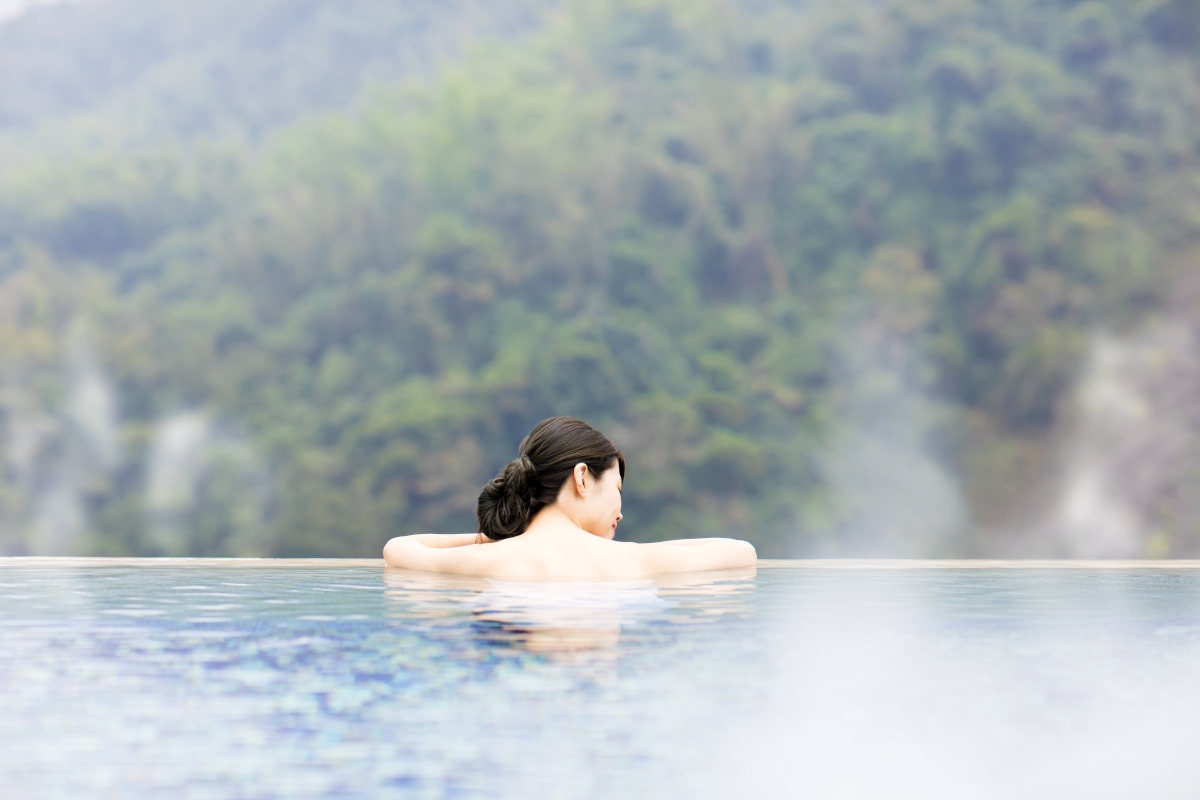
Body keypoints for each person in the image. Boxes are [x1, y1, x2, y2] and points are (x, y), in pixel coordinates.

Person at [382, 417, 757, 578]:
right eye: (617, 490)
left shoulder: (487, 560)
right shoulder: (633, 560)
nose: (620, 513)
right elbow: (741, 552)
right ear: (582, 477)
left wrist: (496, 538)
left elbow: (398, 548)